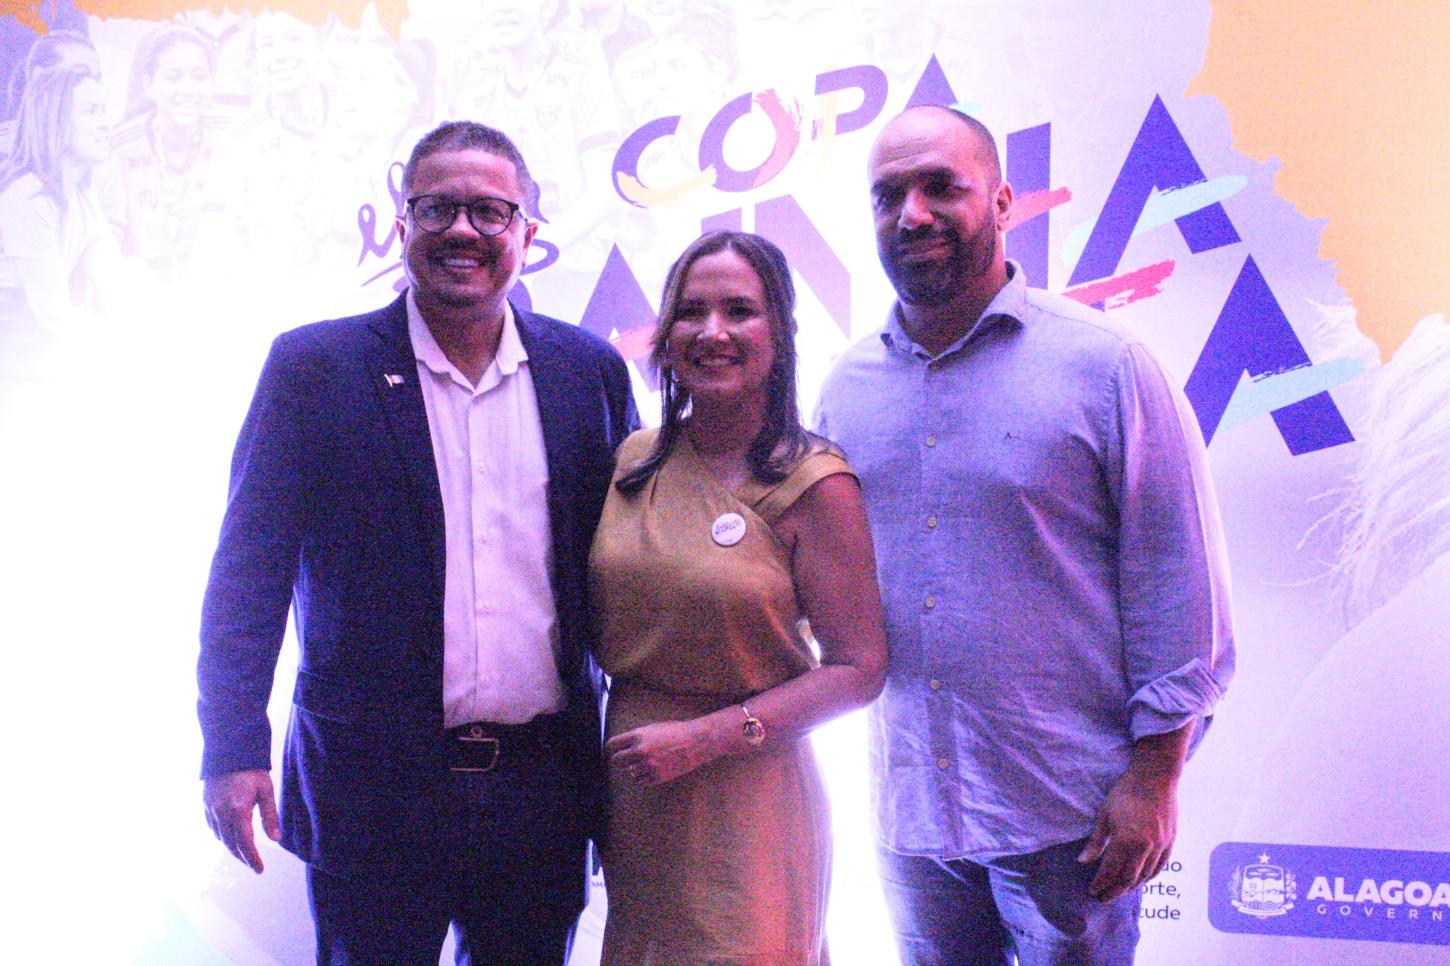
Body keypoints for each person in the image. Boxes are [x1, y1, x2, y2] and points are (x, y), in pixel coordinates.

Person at [197, 120, 638, 965]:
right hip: (370, 789)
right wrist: (231, 745)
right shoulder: (314, 369)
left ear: (527, 234)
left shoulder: (588, 373)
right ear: (402, 225)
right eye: (437, 209)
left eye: (489, 211)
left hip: (541, 792)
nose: (462, 230)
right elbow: (248, 574)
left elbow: (631, 561)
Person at [815, 105, 1235, 964]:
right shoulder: (845, 386)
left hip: (1070, 818)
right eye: (889, 195)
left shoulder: (1105, 366)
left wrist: (1156, 777)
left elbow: (1177, 581)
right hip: (912, 819)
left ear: (1003, 202)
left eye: (942, 187)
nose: (913, 214)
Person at [589, 230, 888, 964]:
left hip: (747, 795)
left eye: (739, 311)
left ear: (779, 334)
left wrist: (707, 738)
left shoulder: (817, 483)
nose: (712, 332)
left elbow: (859, 668)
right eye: (691, 312)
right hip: (636, 790)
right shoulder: (634, 459)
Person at [0, 61, 118, 361]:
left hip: (35, 354)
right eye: (91, 111)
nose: (106, 123)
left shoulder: (83, 196)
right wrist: (126, 351)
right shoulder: (28, 198)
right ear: (55, 120)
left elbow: (112, 282)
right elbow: (54, 316)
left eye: (104, 111)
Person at [109, 23, 228, 279]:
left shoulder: (231, 137)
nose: (188, 90)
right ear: (149, 85)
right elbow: (106, 245)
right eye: (173, 77)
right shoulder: (118, 148)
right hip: (140, 292)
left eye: (199, 76)